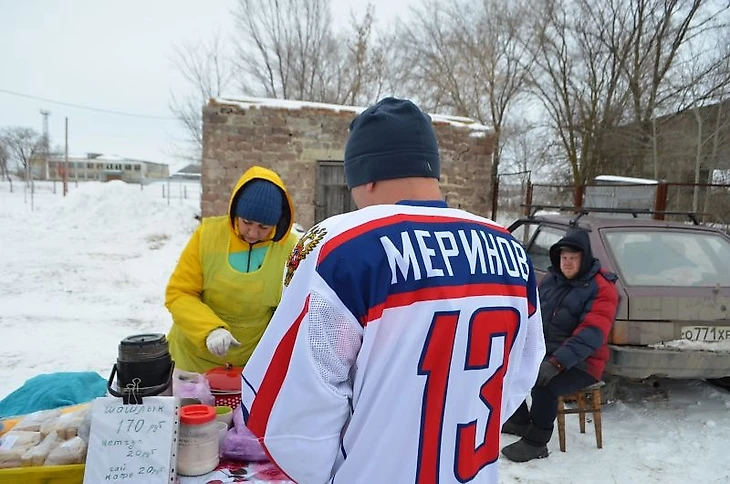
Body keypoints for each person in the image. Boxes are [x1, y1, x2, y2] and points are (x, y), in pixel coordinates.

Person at [239, 97, 545, 483]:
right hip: (469, 470)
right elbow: (520, 374)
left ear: (366, 176)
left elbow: (291, 404)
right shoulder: (511, 250)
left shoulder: (342, 246)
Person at [165, 166, 298, 373]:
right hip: (193, 362)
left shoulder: (289, 249)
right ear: (235, 212)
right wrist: (210, 330)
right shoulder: (208, 236)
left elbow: (291, 309)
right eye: (247, 222)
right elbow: (180, 294)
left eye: (264, 227)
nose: (253, 233)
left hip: (252, 365)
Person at [501, 229, 619, 462]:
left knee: (546, 383)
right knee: (506, 366)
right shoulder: (552, 280)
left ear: (584, 258)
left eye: (573, 258)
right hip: (547, 352)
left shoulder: (602, 288)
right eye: (564, 257)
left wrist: (557, 363)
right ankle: (519, 420)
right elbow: (532, 313)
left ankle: (537, 442)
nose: (567, 262)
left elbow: (591, 334)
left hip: (583, 362)